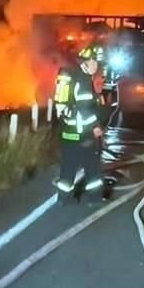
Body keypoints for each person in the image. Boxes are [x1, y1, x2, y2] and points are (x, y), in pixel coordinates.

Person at [54, 46, 105, 203]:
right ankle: (95, 199)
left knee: (68, 167)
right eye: (94, 63)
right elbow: (84, 110)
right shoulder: (82, 80)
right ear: (86, 62)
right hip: (82, 133)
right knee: (92, 167)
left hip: (67, 131)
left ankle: (63, 199)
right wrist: (95, 127)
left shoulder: (72, 75)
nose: (96, 67)